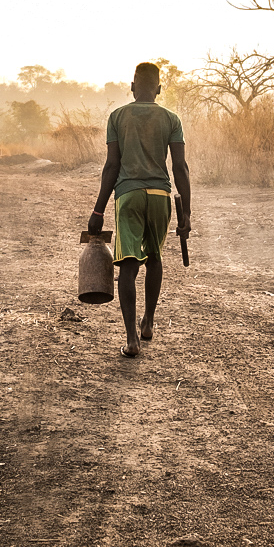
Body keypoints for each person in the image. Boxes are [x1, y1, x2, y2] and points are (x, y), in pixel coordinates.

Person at [88, 62, 191, 357]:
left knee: (129, 266)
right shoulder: (171, 119)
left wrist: (98, 211)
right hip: (160, 195)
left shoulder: (117, 117)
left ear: (132, 87)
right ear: (158, 89)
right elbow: (180, 168)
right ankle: (149, 323)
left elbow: (111, 166)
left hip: (129, 196)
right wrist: (186, 213)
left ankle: (132, 340)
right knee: (155, 259)